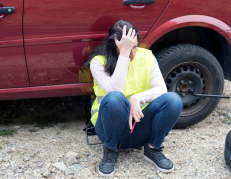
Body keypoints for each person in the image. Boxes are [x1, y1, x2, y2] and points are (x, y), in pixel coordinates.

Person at [81, 20, 183, 177]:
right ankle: (110, 150)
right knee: (115, 98)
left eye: (135, 47)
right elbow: (114, 91)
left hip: (139, 125)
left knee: (173, 100)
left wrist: (136, 98)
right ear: (114, 45)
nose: (133, 53)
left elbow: (161, 90)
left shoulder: (147, 57)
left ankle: (152, 149)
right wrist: (123, 55)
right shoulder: (98, 62)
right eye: (128, 48)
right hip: (110, 129)